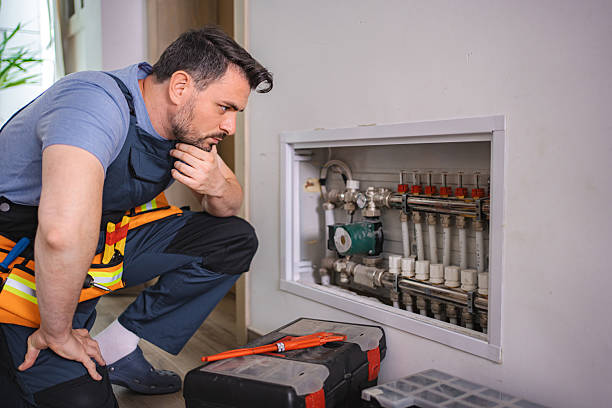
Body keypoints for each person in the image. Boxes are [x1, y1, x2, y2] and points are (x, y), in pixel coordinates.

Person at [0, 26, 272, 407]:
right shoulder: (93, 104)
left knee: (233, 239)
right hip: (19, 251)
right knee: (82, 401)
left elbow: (229, 209)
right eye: (225, 107)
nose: (230, 126)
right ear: (180, 87)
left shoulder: (186, 124)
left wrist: (217, 185)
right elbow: (61, 233)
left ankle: (118, 347)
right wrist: (58, 333)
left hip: (99, 238)